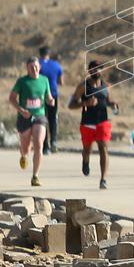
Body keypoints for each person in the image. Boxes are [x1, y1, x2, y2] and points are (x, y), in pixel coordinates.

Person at [68, 60, 118, 189]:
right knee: (87, 149)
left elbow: (109, 101)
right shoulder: (83, 86)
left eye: (99, 68)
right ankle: (85, 161)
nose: (97, 71)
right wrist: (85, 104)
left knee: (103, 148)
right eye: (94, 69)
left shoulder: (106, 86)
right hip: (87, 123)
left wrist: (113, 105)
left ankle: (103, 179)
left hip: (103, 122)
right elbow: (71, 105)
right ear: (89, 71)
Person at [9, 56, 55, 187]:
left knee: (39, 144)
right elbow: (12, 98)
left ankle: (35, 176)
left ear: (39, 67)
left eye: (36, 67)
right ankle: (23, 155)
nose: (34, 69)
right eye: (31, 67)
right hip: (25, 116)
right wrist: (21, 110)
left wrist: (51, 101)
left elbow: (48, 97)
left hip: (39, 116)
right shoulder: (22, 81)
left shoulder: (44, 80)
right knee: (25, 145)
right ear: (27, 69)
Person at [38, 46, 64, 155]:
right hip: (53, 94)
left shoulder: (37, 64)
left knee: (42, 120)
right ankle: (54, 142)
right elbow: (61, 82)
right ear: (49, 53)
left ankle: (45, 147)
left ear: (40, 54)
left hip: (41, 95)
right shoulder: (56, 65)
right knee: (53, 119)